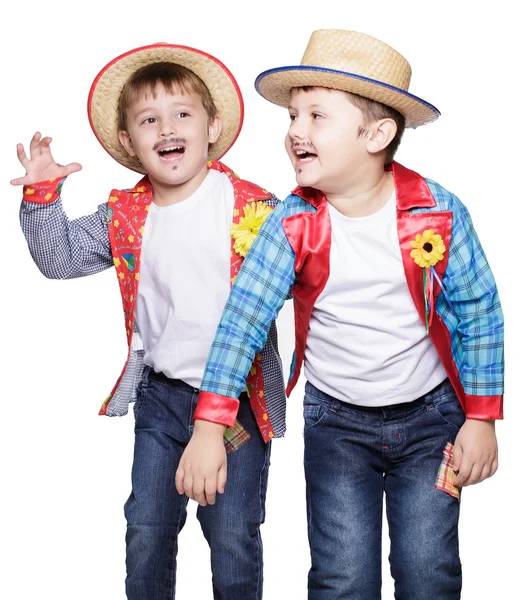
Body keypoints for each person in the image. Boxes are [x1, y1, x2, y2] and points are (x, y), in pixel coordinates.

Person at [176, 29, 504, 599]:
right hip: (337, 426)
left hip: (433, 423)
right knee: (341, 576)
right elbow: (243, 320)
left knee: (429, 571)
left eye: (316, 115)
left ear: (376, 134)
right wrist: (209, 424)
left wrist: (480, 418)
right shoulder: (292, 223)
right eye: (293, 115)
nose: (295, 130)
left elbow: (479, 313)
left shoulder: (438, 212)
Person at [13, 43, 286, 600]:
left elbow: (297, 287)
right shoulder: (126, 214)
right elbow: (58, 258)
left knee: (234, 536)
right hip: (161, 400)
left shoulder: (256, 208)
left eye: (183, 114)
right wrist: (43, 196)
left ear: (211, 126)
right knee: (147, 530)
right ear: (128, 143)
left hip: (236, 399)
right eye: (148, 119)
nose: (167, 128)